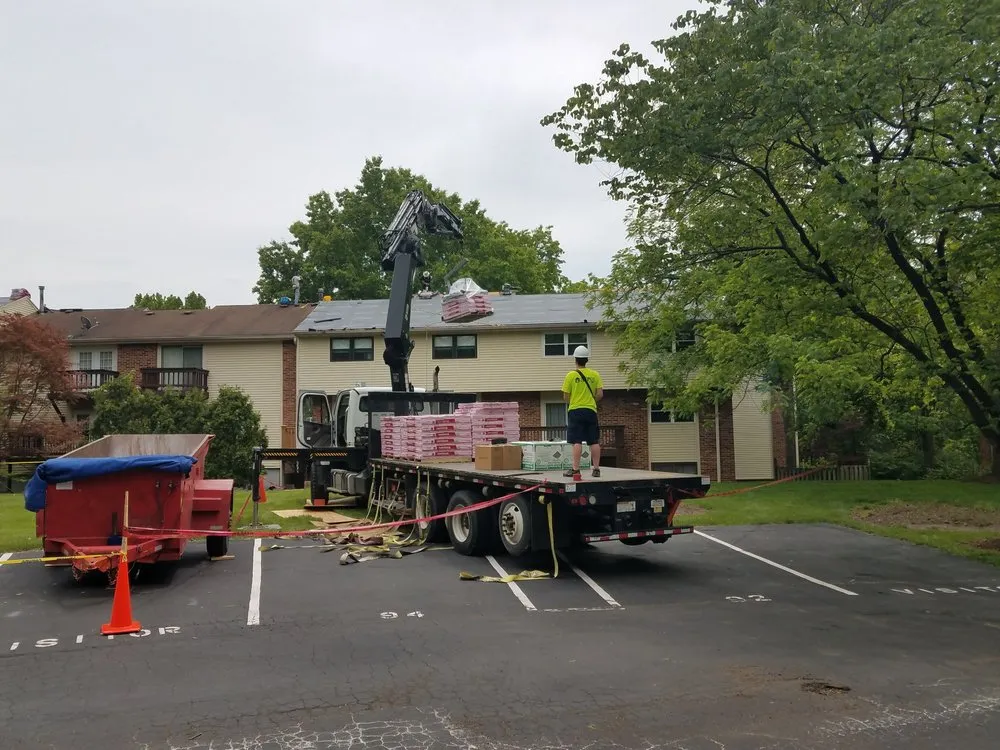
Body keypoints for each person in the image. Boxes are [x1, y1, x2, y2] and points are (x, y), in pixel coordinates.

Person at [561, 345, 603, 478]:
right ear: (587, 360)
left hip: (575, 411)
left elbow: (565, 396)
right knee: (594, 441)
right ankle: (596, 469)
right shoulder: (595, 374)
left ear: (575, 359)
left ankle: (576, 469)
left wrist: (575, 400)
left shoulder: (571, 376)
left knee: (577, 441)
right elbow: (600, 394)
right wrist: (590, 400)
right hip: (591, 410)